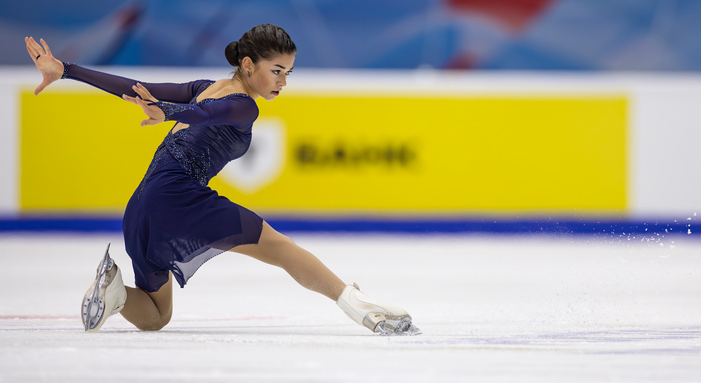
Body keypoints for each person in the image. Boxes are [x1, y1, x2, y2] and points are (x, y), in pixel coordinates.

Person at [24, 25, 419, 336]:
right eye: (276, 71)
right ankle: (360, 306)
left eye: (288, 73)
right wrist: (165, 109)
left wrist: (69, 71)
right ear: (248, 65)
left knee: (155, 316)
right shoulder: (243, 105)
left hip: (142, 206)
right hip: (178, 199)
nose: (283, 81)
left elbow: (136, 89)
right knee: (280, 248)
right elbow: (210, 115)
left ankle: (114, 293)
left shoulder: (203, 88)